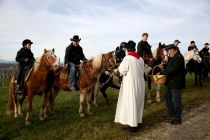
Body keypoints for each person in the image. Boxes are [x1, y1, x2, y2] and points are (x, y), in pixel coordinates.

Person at [115, 40, 145, 132]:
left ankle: (133, 125)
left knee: (131, 103)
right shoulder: (140, 58)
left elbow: (122, 70)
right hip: (140, 83)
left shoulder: (128, 58)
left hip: (131, 84)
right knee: (138, 103)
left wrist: (118, 68)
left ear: (127, 50)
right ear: (134, 49)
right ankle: (138, 121)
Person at [159, 44, 185, 125]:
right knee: (167, 96)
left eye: (169, 50)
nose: (168, 52)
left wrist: (162, 72)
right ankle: (171, 114)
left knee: (176, 100)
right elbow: (169, 67)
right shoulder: (172, 57)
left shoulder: (179, 57)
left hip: (176, 82)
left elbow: (173, 69)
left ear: (174, 49)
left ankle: (177, 118)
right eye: (167, 50)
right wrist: (163, 66)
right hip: (170, 82)